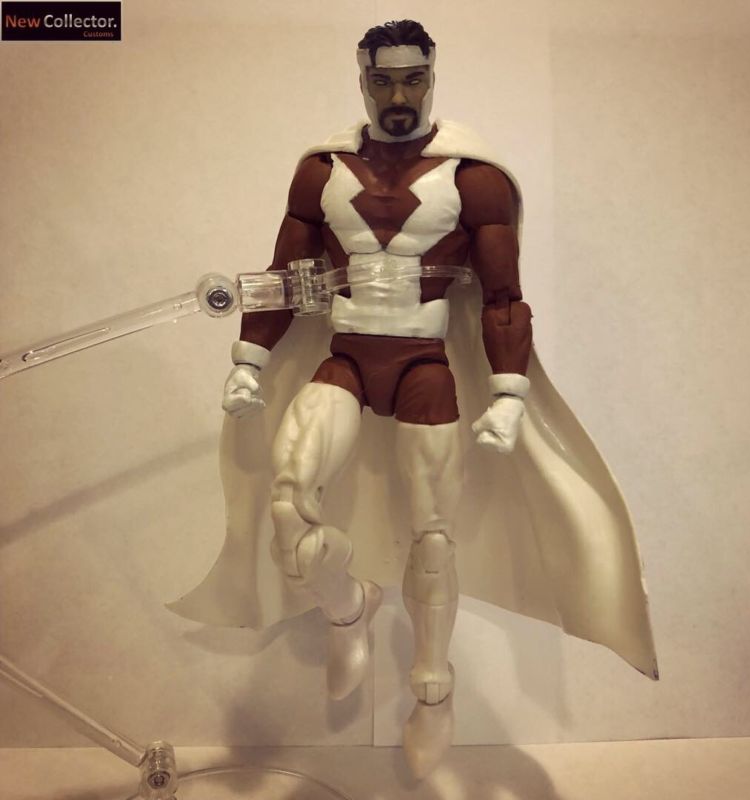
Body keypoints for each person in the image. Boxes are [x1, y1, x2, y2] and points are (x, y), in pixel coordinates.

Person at [171, 19, 658, 779]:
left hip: (425, 364)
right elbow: (284, 276)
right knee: (288, 504)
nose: (398, 96)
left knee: (433, 538)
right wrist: (249, 359)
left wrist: (509, 391)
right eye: (383, 80)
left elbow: (503, 297)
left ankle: (433, 690)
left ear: (432, 76)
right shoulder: (321, 172)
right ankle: (347, 608)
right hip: (345, 357)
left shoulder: (473, 179)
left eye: (412, 79)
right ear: (361, 79)